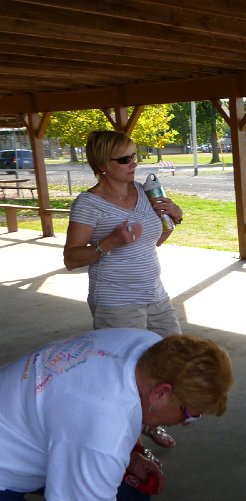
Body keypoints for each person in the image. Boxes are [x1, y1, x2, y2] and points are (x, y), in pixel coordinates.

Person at [0, 329, 233, 501]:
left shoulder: (150, 349)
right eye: (189, 413)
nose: (186, 423)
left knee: (130, 497)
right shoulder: (104, 431)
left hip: (28, 428)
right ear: (161, 393)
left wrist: (131, 454)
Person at [63, 130, 185, 449]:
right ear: (103, 164)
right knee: (126, 373)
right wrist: (110, 242)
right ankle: (128, 444)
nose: (134, 163)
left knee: (172, 356)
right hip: (116, 302)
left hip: (154, 293)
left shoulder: (144, 192)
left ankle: (147, 420)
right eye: (125, 159)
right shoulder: (88, 204)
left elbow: (154, 240)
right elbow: (71, 258)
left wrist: (176, 217)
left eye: (135, 155)